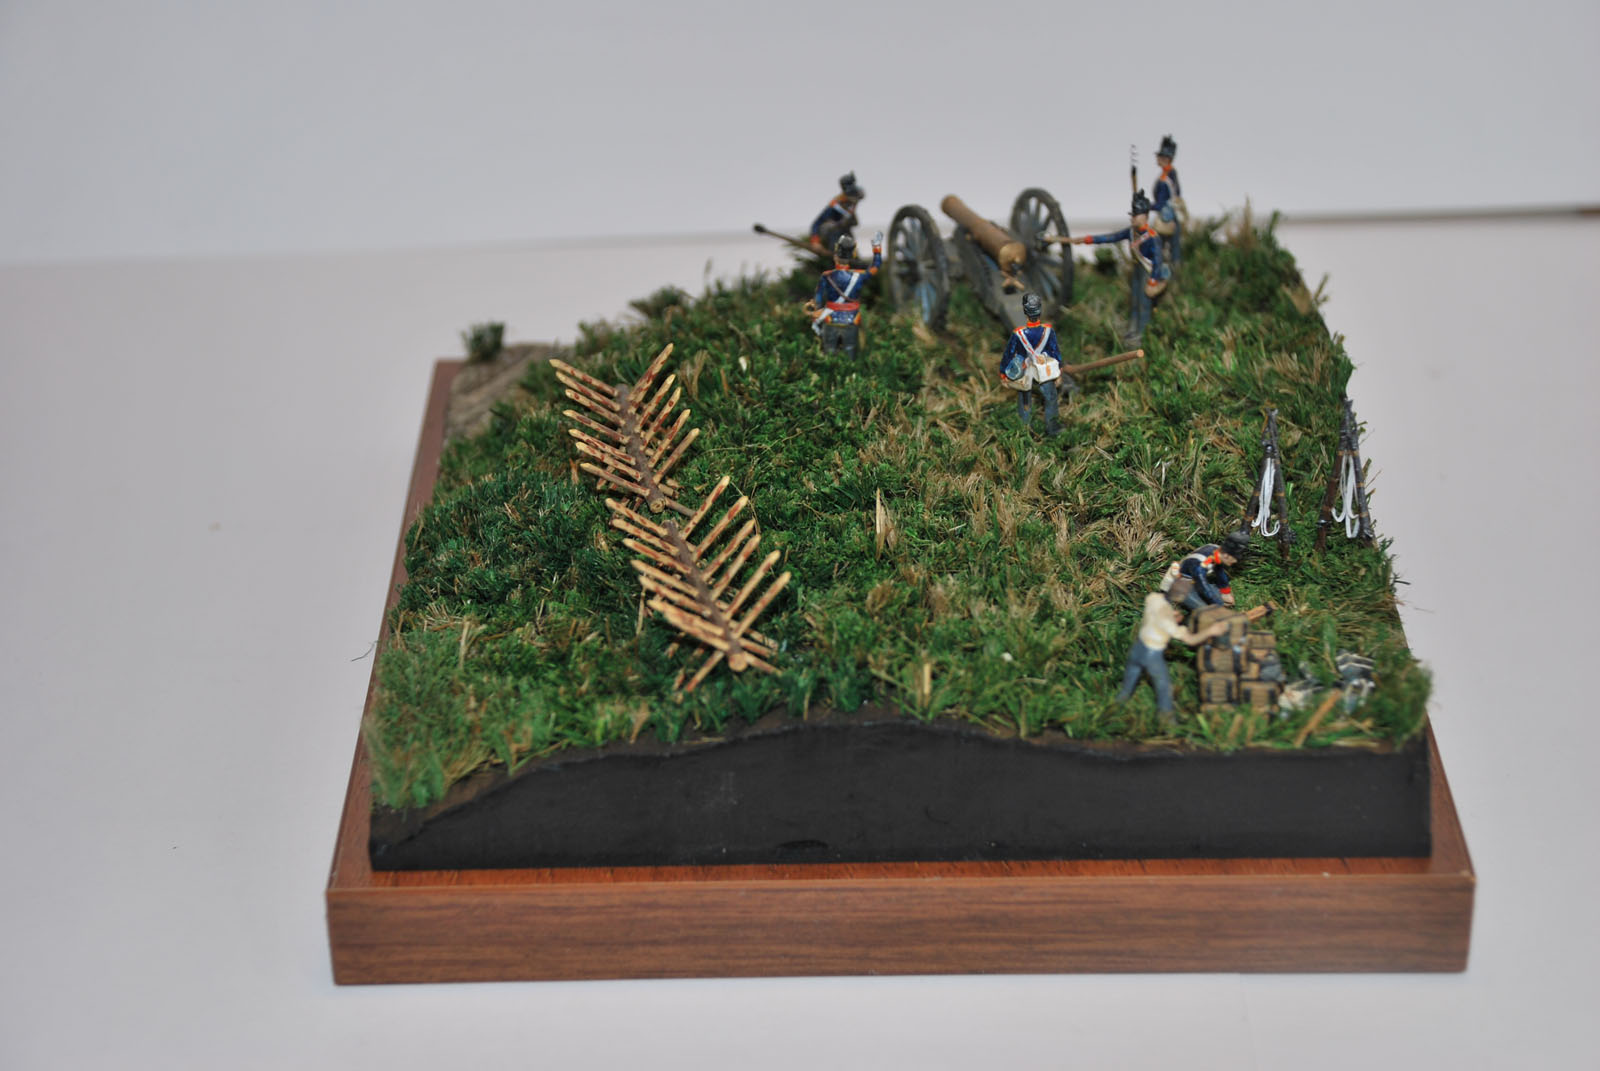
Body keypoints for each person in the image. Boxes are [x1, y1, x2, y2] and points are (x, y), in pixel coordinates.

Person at [1066, 190, 1169, 346]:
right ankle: (1133, 329)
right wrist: (1089, 239)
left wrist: (1153, 281)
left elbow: (1157, 260)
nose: (1132, 218)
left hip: (1147, 272)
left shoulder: (1152, 237)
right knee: (1134, 302)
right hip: (1136, 270)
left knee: (1144, 303)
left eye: (1136, 215)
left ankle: (1142, 334)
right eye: (1133, 215)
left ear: (1145, 216)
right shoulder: (1131, 232)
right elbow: (1112, 237)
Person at [1115, 592, 1230, 721]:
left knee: (1130, 680)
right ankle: (1167, 719)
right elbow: (1191, 640)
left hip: (1138, 648)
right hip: (1152, 654)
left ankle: (1118, 705)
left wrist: (1171, 614)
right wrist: (1211, 631)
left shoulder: (1154, 600)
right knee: (1164, 686)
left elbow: (1161, 607)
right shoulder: (1169, 625)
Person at [998, 291, 1070, 437]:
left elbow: (1009, 354)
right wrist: (1059, 371)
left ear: (1025, 312)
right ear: (1040, 311)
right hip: (1044, 371)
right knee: (1051, 398)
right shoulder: (1048, 331)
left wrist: (1003, 373)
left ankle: (1025, 430)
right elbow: (1055, 352)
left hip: (1025, 371)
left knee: (1025, 401)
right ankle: (1052, 427)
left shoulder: (1018, 333)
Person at [805, 232, 882, 356]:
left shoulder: (826, 276)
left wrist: (816, 313)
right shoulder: (859, 276)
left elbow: (818, 298)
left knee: (829, 352)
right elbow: (875, 267)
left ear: (836, 255)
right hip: (852, 319)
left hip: (830, 318)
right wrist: (876, 247)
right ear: (853, 254)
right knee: (850, 352)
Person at [1161, 530, 1251, 611]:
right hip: (1180, 584)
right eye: (1234, 559)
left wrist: (1225, 592)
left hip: (1195, 582)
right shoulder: (1200, 564)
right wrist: (1217, 604)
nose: (1235, 561)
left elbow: (1219, 572)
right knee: (1205, 609)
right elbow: (1203, 586)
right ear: (1226, 555)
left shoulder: (1216, 551)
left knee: (1221, 600)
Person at [1149, 135, 1185, 269]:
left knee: (1165, 249)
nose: (1157, 159)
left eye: (1160, 157)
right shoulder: (1167, 175)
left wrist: (1147, 206)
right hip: (1168, 216)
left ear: (1166, 159)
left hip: (1167, 219)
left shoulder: (1167, 178)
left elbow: (1162, 202)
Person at [809, 172, 865, 252]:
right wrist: (815, 241)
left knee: (849, 240)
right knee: (836, 233)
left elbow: (861, 195)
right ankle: (836, 253)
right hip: (832, 231)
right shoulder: (835, 204)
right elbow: (817, 223)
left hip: (844, 229)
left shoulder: (853, 199)